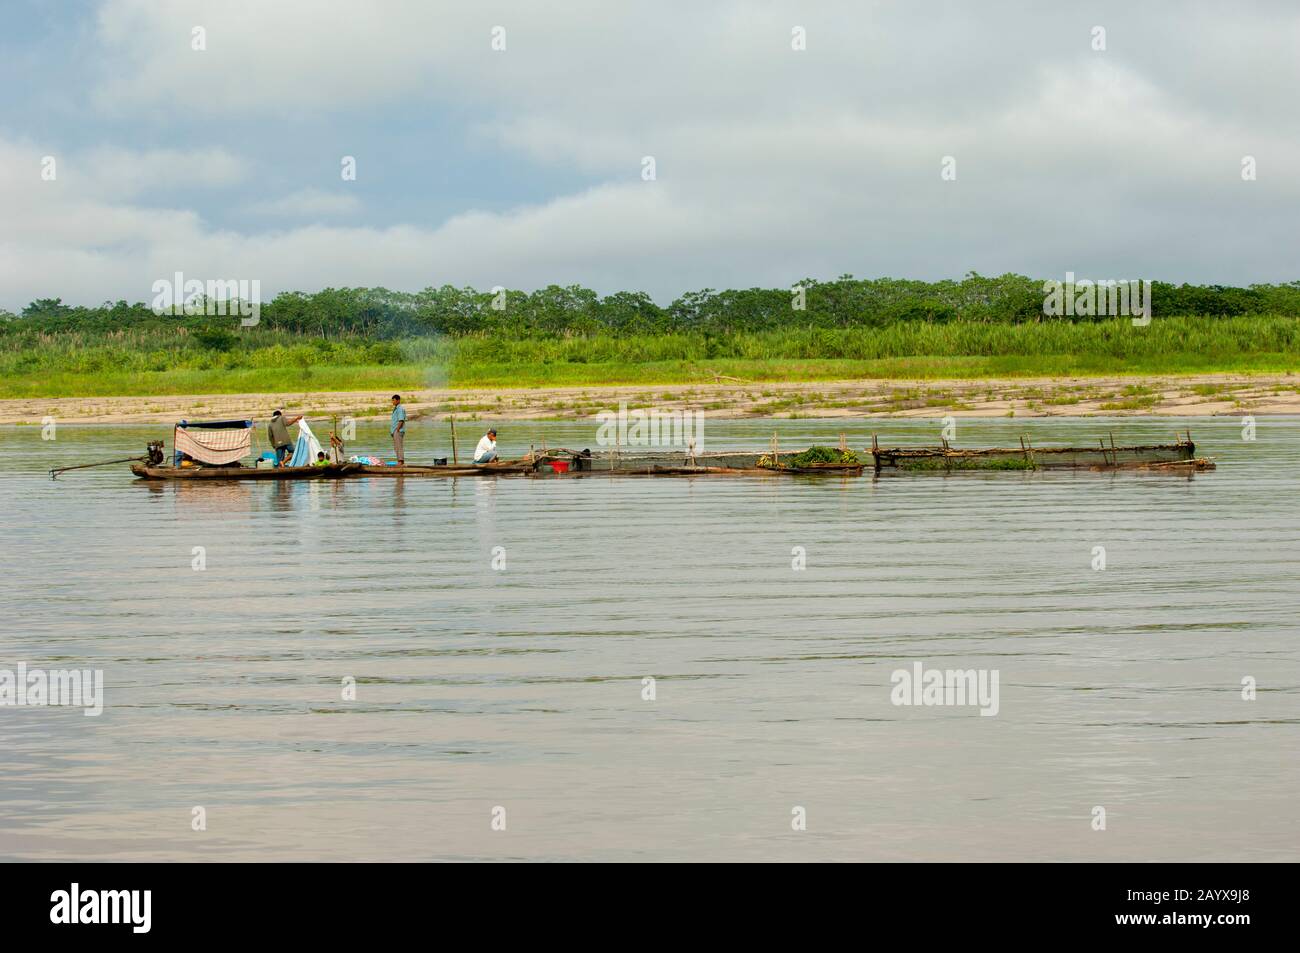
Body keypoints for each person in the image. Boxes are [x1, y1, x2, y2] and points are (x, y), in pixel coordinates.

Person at [390, 395, 407, 465]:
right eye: (392, 400)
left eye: (394, 400)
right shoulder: (396, 408)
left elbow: (401, 420)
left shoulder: (400, 409)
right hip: (395, 430)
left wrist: (397, 429)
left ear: (398, 400)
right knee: (396, 447)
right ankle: (400, 461)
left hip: (398, 431)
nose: (392, 402)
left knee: (398, 446)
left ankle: (400, 462)